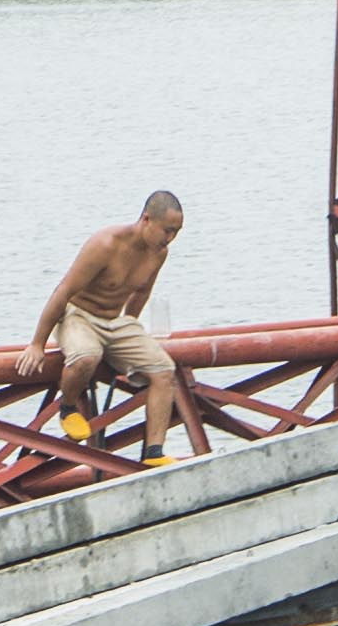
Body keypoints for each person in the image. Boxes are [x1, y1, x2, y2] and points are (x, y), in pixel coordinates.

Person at [24, 190, 214, 456]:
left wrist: (128, 329)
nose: (170, 239)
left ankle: (153, 453)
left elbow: (141, 292)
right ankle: (68, 407)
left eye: (176, 232)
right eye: (167, 230)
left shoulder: (159, 253)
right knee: (87, 356)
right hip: (78, 315)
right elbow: (63, 291)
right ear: (146, 219)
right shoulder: (105, 244)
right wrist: (37, 344)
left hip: (115, 321)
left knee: (163, 370)